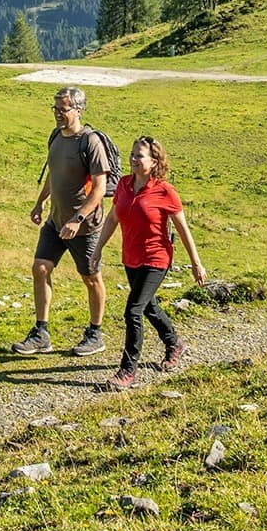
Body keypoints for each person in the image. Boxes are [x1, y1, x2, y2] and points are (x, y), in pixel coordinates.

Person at [11, 86, 118, 358]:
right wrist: (40, 202)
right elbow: (52, 175)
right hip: (55, 222)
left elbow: (98, 188)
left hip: (85, 226)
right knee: (40, 268)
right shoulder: (56, 136)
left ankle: (95, 334)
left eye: (64, 109)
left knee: (90, 278)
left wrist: (77, 218)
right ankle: (41, 333)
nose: (58, 113)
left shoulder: (90, 142)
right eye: (55, 108)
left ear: (79, 110)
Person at [95, 135, 207, 391]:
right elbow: (113, 219)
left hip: (157, 258)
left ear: (154, 160)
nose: (134, 159)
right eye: (132, 154)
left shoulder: (164, 191)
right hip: (131, 257)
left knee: (133, 310)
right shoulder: (123, 185)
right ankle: (174, 342)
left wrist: (196, 263)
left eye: (140, 156)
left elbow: (183, 229)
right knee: (148, 306)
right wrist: (98, 249)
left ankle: (127, 371)